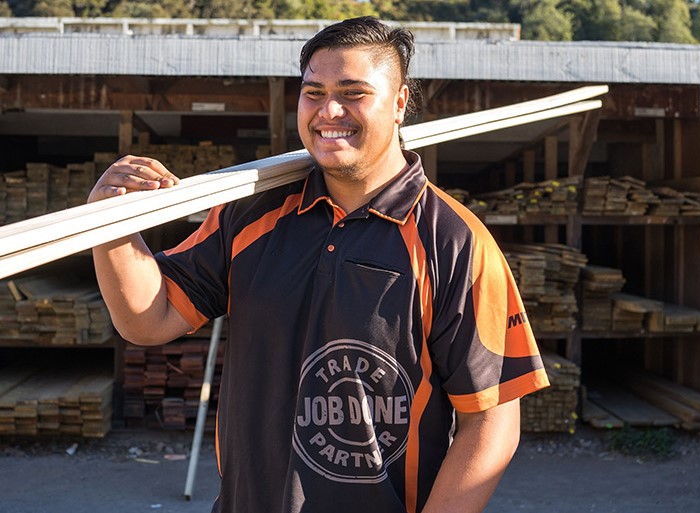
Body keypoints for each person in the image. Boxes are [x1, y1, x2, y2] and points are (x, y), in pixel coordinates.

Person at [88, 16, 549, 513]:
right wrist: (110, 225)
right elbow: (146, 320)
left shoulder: (455, 242)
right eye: (314, 92)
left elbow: (493, 419)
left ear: (399, 103)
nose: (329, 110)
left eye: (353, 92)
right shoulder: (250, 213)